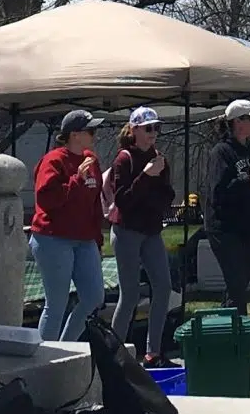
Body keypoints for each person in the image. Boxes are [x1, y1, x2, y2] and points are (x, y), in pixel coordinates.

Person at [105, 107, 177, 360]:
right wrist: (146, 176)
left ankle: (153, 351)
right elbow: (123, 200)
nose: (153, 134)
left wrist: (156, 180)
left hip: (151, 231)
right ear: (134, 130)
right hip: (126, 232)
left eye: (156, 128)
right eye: (148, 128)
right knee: (130, 294)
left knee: (164, 287)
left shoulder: (159, 158)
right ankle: (114, 353)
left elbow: (167, 195)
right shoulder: (124, 159)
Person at [30, 110, 106, 342]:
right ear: (74, 135)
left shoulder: (91, 160)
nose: (94, 134)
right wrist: (75, 181)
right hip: (53, 239)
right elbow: (47, 199)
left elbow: (94, 202)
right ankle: (43, 360)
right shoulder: (54, 160)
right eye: (90, 130)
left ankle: (66, 347)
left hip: (84, 239)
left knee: (94, 298)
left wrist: (97, 239)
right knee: (56, 306)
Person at [205, 99, 250, 314]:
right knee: (236, 282)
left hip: (249, 226)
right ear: (236, 122)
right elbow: (219, 193)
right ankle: (240, 331)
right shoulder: (222, 152)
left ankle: (226, 322)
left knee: (240, 281)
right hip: (225, 227)